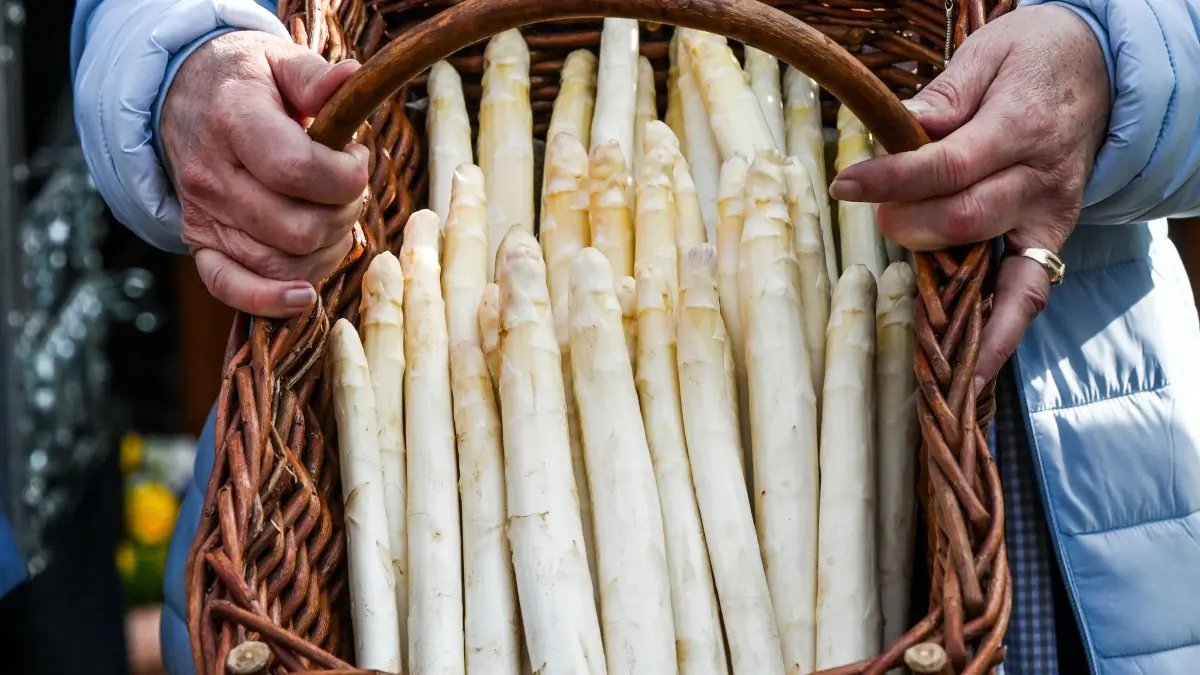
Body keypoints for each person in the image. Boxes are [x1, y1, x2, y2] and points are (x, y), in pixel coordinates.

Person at [65, 0, 1200, 673]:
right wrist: (181, 63)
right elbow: (140, 17)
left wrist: (1120, 59)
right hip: (353, 424)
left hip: (1058, 486)